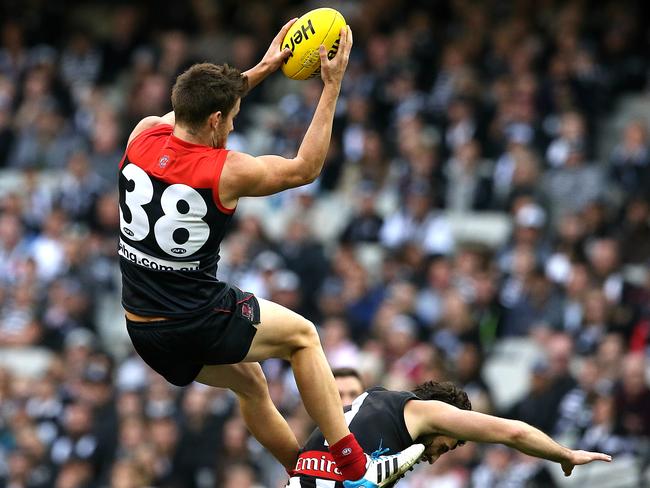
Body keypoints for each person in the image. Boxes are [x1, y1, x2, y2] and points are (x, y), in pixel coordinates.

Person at [117, 20, 420, 487]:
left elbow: (195, 110)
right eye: (233, 116)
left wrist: (261, 68)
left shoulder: (143, 134)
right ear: (216, 119)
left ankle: (303, 476)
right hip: (194, 317)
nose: (235, 123)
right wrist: (332, 86)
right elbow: (305, 167)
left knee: (252, 383)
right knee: (303, 337)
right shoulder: (226, 171)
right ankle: (356, 471)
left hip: (142, 327)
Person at [287, 381, 612, 487]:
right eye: (447, 446)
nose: (436, 457)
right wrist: (564, 455)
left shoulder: (373, 405)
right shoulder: (425, 411)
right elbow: (512, 432)